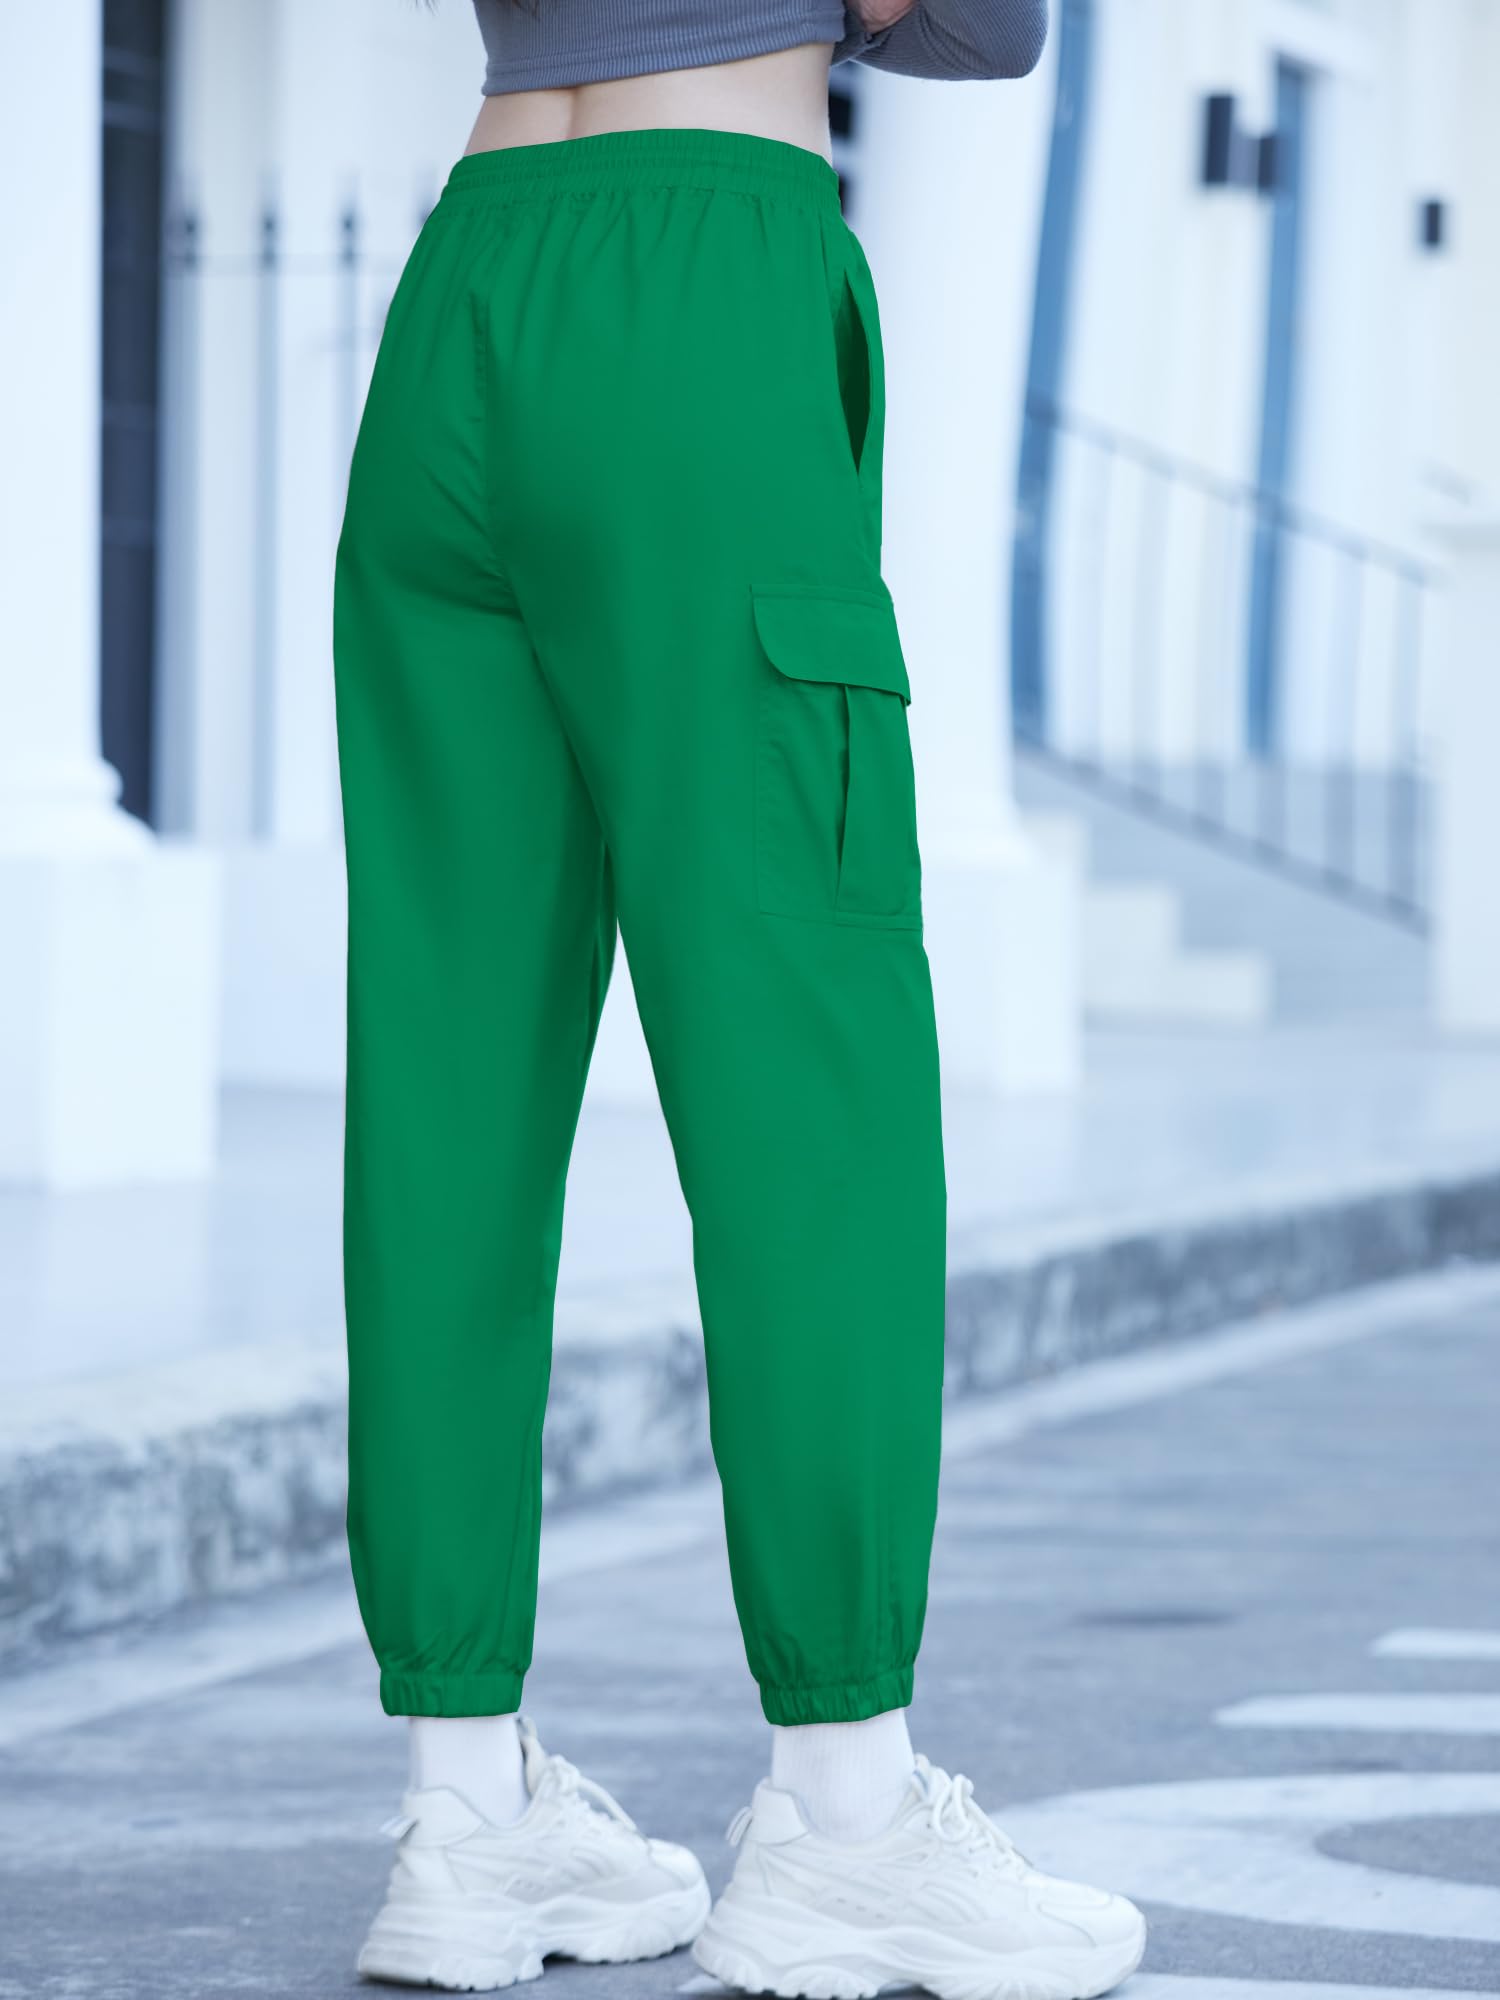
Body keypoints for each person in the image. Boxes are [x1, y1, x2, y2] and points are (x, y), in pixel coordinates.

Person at [334, 1, 1146, 1993]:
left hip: (466, 281)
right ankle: (849, 1819)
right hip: (703, 287)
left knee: (445, 1082)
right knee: (812, 1073)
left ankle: (465, 1809)